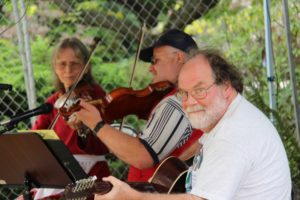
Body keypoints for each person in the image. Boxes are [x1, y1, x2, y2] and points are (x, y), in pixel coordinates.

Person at [93, 49, 292, 200]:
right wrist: (171, 166)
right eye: (184, 93)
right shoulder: (230, 116)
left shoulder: (232, 137)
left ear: (226, 87)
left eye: (199, 90)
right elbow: (203, 148)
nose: (189, 102)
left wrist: (133, 196)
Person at [76, 29, 203, 182]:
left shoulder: (176, 102)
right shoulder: (192, 96)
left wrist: (96, 124)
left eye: (155, 60)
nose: (151, 68)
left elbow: (142, 156)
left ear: (178, 57)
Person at [30, 37, 111, 199]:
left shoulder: (96, 95)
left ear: (86, 67)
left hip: (90, 172)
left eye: (74, 64)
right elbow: (35, 138)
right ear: (55, 67)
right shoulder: (53, 102)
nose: (68, 70)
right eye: (62, 64)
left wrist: (83, 130)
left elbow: (102, 141)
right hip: (59, 172)